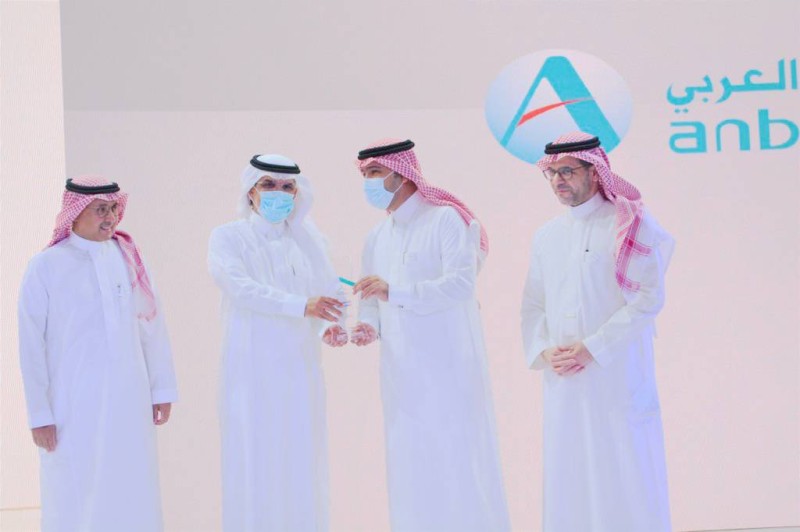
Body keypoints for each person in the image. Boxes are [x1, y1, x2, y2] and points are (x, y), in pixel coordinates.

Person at [351, 138, 510, 531]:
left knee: (458, 461)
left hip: (450, 367)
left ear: (402, 173)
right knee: (410, 465)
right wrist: (367, 325)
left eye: (375, 172)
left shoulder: (445, 220)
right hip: (401, 375)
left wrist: (395, 292)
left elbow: (460, 284)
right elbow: (371, 297)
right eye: (365, 174)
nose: (368, 182)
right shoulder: (377, 236)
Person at [521, 132, 674, 531]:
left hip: (617, 373)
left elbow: (648, 299)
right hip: (564, 378)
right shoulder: (547, 235)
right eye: (552, 173)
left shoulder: (631, 225)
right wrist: (544, 351)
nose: (558, 180)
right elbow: (533, 303)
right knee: (569, 469)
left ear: (594, 171)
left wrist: (592, 348)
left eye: (567, 171)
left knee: (625, 466)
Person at [18, 176, 178, 532]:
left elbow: (152, 327)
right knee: (76, 488)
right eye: (100, 210)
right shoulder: (46, 266)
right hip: (72, 404)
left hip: (130, 399)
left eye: (113, 209)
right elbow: (30, 345)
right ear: (74, 214)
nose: (110, 218)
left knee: (132, 482)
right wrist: (39, 414)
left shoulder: (128, 258)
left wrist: (162, 389)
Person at [208, 154, 347, 531]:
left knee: (302, 460)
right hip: (251, 370)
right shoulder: (228, 237)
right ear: (250, 192)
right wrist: (303, 306)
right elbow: (240, 288)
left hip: (300, 370)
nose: (278, 193)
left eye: (287, 187)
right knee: (254, 460)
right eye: (268, 185)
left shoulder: (309, 240)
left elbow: (328, 289)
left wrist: (330, 325)